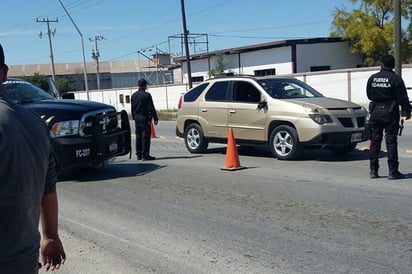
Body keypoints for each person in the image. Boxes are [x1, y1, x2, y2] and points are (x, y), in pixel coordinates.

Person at [0, 44, 66, 273]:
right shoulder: (35, 123)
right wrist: (50, 236)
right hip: (24, 260)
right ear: (4, 73)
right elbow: (48, 187)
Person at [366, 54, 411, 180]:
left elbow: (369, 94)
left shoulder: (372, 78)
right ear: (393, 65)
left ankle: (373, 171)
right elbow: (402, 97)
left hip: (375, 112)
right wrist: (407, 111)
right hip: (390, 112)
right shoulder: (395, 79)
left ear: (381, 65)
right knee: (391, 141)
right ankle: (393, 171)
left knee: (375, 141)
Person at [131, 78, 158, 161]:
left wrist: (134, 117)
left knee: (138, 136)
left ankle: (138, 154)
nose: (146, 86)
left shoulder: (134, 95)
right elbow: (151, 108)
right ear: (144, 85)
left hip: (137, 118)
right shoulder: (147, 95)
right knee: (145, 136)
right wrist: (155, 118)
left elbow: (132, 108)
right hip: (144, 118)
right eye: (146, 85)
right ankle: (145, 154)